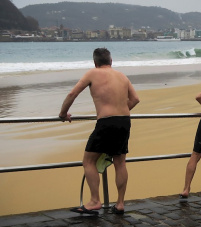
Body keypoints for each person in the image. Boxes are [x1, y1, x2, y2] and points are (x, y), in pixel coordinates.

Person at [59, 48, 140, 215]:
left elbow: (72, 93)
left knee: (88, 161)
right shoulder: (122, 76)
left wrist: (63, 114)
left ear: (95, 63)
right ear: (111, 61)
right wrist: (120, 112)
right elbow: (135, 99)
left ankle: (95, 201)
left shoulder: (92, 73)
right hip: (124, 121)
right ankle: (120, 203)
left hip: (106, 122)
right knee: (120, 163)